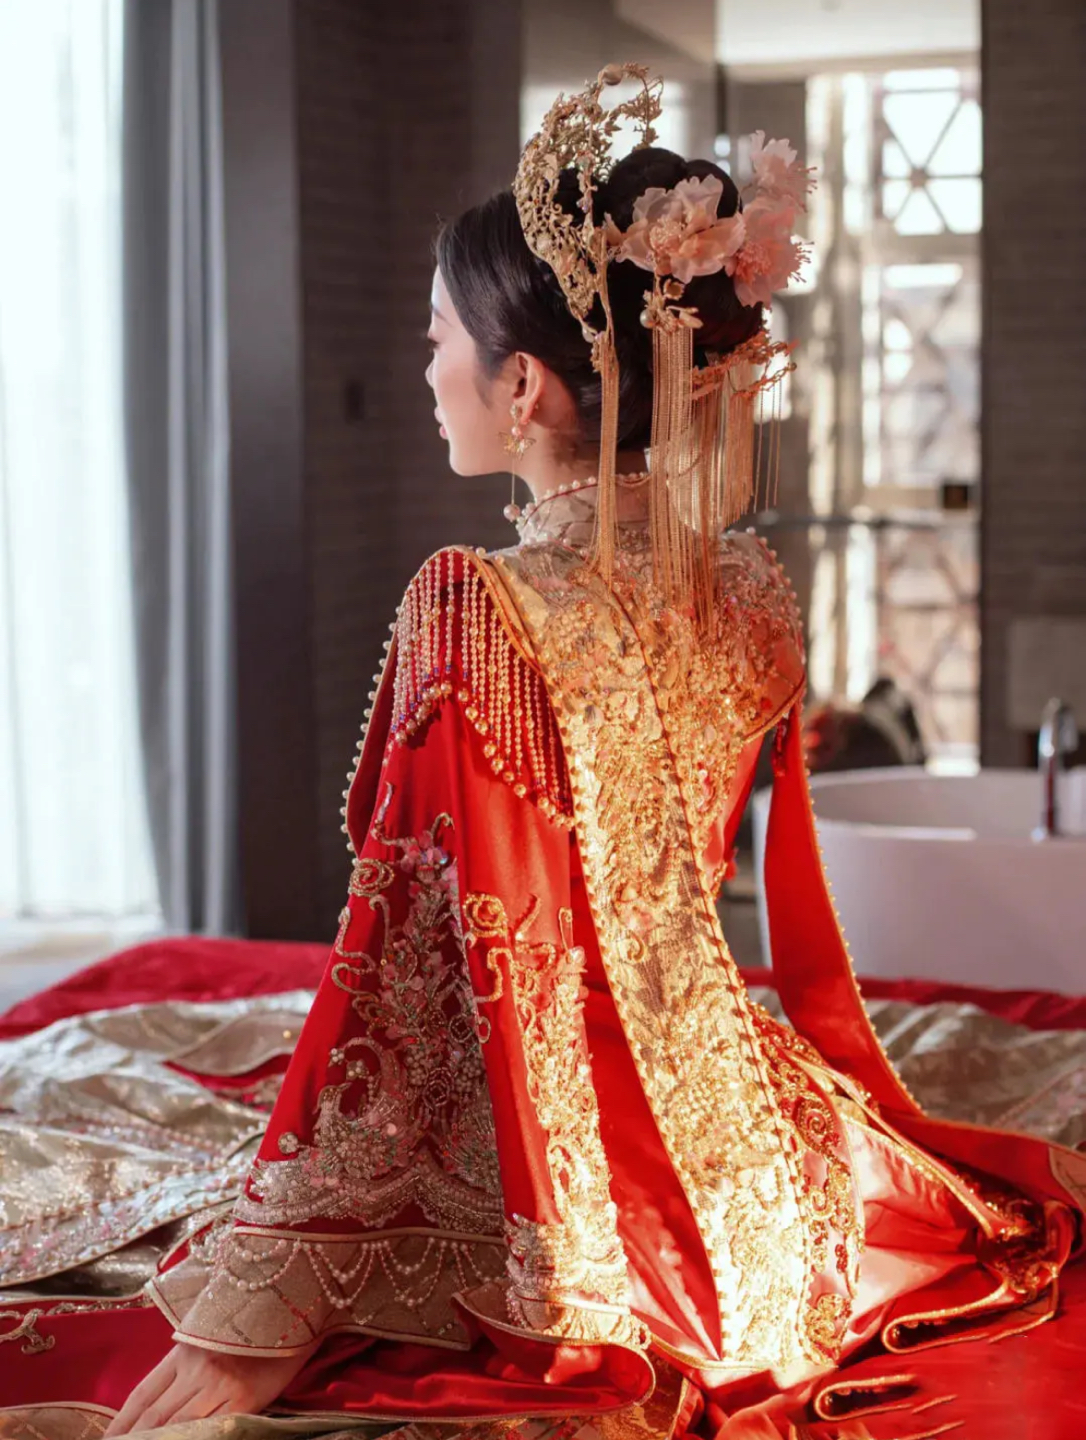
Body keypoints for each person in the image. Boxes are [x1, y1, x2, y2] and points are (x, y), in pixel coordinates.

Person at [2, 63, 1084, 1440]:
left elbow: (407, 971)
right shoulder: (745, 590)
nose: (424, 370)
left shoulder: (480, 606)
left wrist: (268, 1301)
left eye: (436, 338)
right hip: (769, 1175)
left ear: (521, 385)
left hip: (575, 1196)